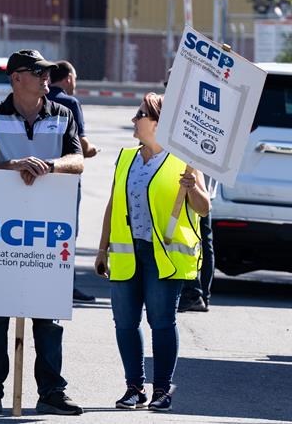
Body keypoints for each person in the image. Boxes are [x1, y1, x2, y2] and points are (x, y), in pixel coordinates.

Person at [0, 49, 85, 416]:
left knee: (48, 315)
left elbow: (78, 160)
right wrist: (12, 165)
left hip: (48, 230)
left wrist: (49, 166)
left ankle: (51, 390)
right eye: (38, 72)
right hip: (2, 230)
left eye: (47, 71)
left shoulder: (63, 114)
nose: (46, 77)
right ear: (16, 77)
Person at [94, 93, 209, 413]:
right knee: (125, 322)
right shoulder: (126, 158)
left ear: (158, 123)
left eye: (139, 114)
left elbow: (203, 209)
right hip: (126, 253)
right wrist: (102, 247)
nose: (134, 120)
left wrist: (193, 188)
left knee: (161, 321)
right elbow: (114, 203)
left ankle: (162, 389)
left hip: (164, 257)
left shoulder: (183, 161)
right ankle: (134, 387)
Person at [47, 60, 99, 304]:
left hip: (39, 175)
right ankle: (67, 285)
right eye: (75, 78)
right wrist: (93, 150)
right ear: (68, 78)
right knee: (67, 234)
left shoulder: (40, 99)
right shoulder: (70, 103)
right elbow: (81, 146)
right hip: (66, 177)